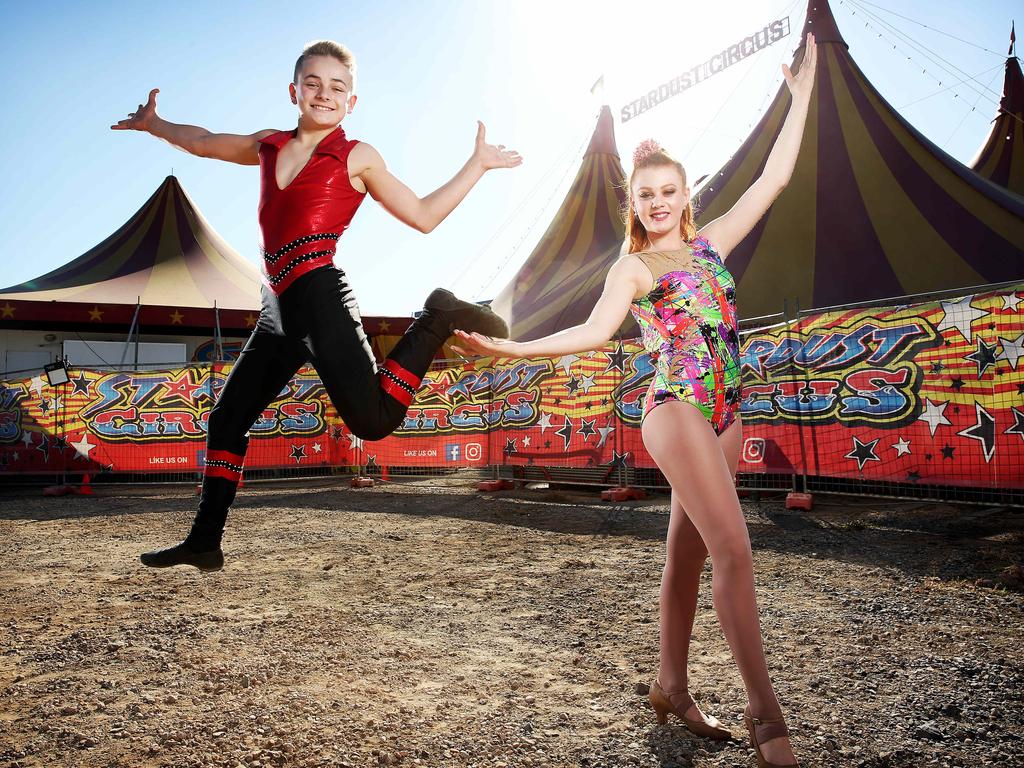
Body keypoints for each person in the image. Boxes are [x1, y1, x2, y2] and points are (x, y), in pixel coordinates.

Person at [453, 33, 817, 768]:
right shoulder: (634, 267)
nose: (657, 203)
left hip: (725, 411)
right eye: (645, 195)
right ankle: (766, 717)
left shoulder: (711, 245)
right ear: (635, 203)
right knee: (735, 551)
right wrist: (511, 350)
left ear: (687, 194)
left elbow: (774, 180)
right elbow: (591, 330)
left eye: (668, 191)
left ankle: (671, 687)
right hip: (676, 407)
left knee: (685, 555)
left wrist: (801, 97)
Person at [112, 40, 521, 573]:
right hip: (277, 309)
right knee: (226, 418)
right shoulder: (268, 145)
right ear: (294, 91)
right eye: (313, 84)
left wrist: (477, 164)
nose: (323, 94)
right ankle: (205, 541)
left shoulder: (357, 155)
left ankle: (437, 315)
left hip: (321, 294)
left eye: (337, 87)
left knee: (373, 423)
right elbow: (207, 142)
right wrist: (157, 124)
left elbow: (423, 215)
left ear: (351, 102)